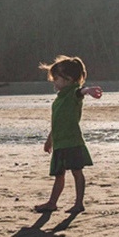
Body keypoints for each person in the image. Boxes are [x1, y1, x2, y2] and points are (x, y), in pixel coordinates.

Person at [34, 55, 103, 214]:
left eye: (56, 79)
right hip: (60, 143)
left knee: (77, 172)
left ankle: (79, 203)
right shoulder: (59, 99)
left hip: (72, 142)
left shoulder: (73, 93)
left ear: (69, 79)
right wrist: (49, 140)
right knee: (59, 175)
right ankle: (52, 203)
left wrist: (88, 90)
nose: (54, 83)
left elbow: (80, 92)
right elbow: (57, 122)